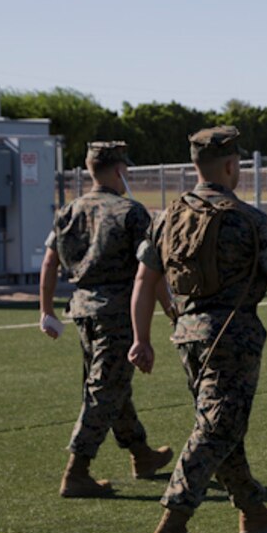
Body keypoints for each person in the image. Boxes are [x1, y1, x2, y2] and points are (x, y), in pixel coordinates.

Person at [129, 125, 267, 533]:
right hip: (233, 337)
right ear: (232, 166)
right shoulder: (249, 219)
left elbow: (143, 280)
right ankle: (172, 527)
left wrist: (141, 338)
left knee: (222, 422)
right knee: (216, 428)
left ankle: (253, 512)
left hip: (188, 335)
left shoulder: (167, 217)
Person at [39, 141, 174, 497]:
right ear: (119, 170)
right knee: (105, 389)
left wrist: (46, 310)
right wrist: (171, 309)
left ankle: (141, 453)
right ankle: (76, 471)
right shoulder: (131, 212)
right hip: (118, 312)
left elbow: (50, 262)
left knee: (111, 384)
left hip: (82, 310)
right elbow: (150, 271)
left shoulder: (69, 211)